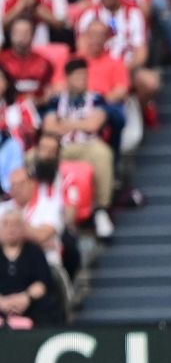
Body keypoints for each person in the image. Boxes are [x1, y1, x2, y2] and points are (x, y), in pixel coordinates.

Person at [43, 58, 115, 238]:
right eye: (77, 77)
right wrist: (81, 123)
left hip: (87, 145)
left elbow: (94, 125)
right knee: (33, 157)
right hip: (61, 146)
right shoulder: (56, 100)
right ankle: (43, 205)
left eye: (84, 76)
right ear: (67, 78)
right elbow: (49, 127)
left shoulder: (96, 98)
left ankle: (100, 210)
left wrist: (65, 123)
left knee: (103, 153)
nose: (81, 80)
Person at [0, 207, 62, 326]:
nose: (11, 229)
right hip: (1, 303)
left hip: (29, 303)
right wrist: (2, 302)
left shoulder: (34, 251)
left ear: (23, 228)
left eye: (15, 224)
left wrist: (26, 298)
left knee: (48, 305)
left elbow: (42, 283)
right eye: (6, 224)